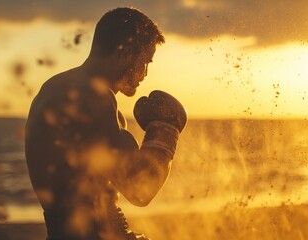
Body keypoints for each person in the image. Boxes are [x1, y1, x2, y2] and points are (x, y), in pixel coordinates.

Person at [25, 7, 187, 240]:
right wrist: (166, 129)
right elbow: (141, 189)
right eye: (145, 62)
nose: (145, 74)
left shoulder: (57, 88)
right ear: (127, 53)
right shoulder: (91, 96)